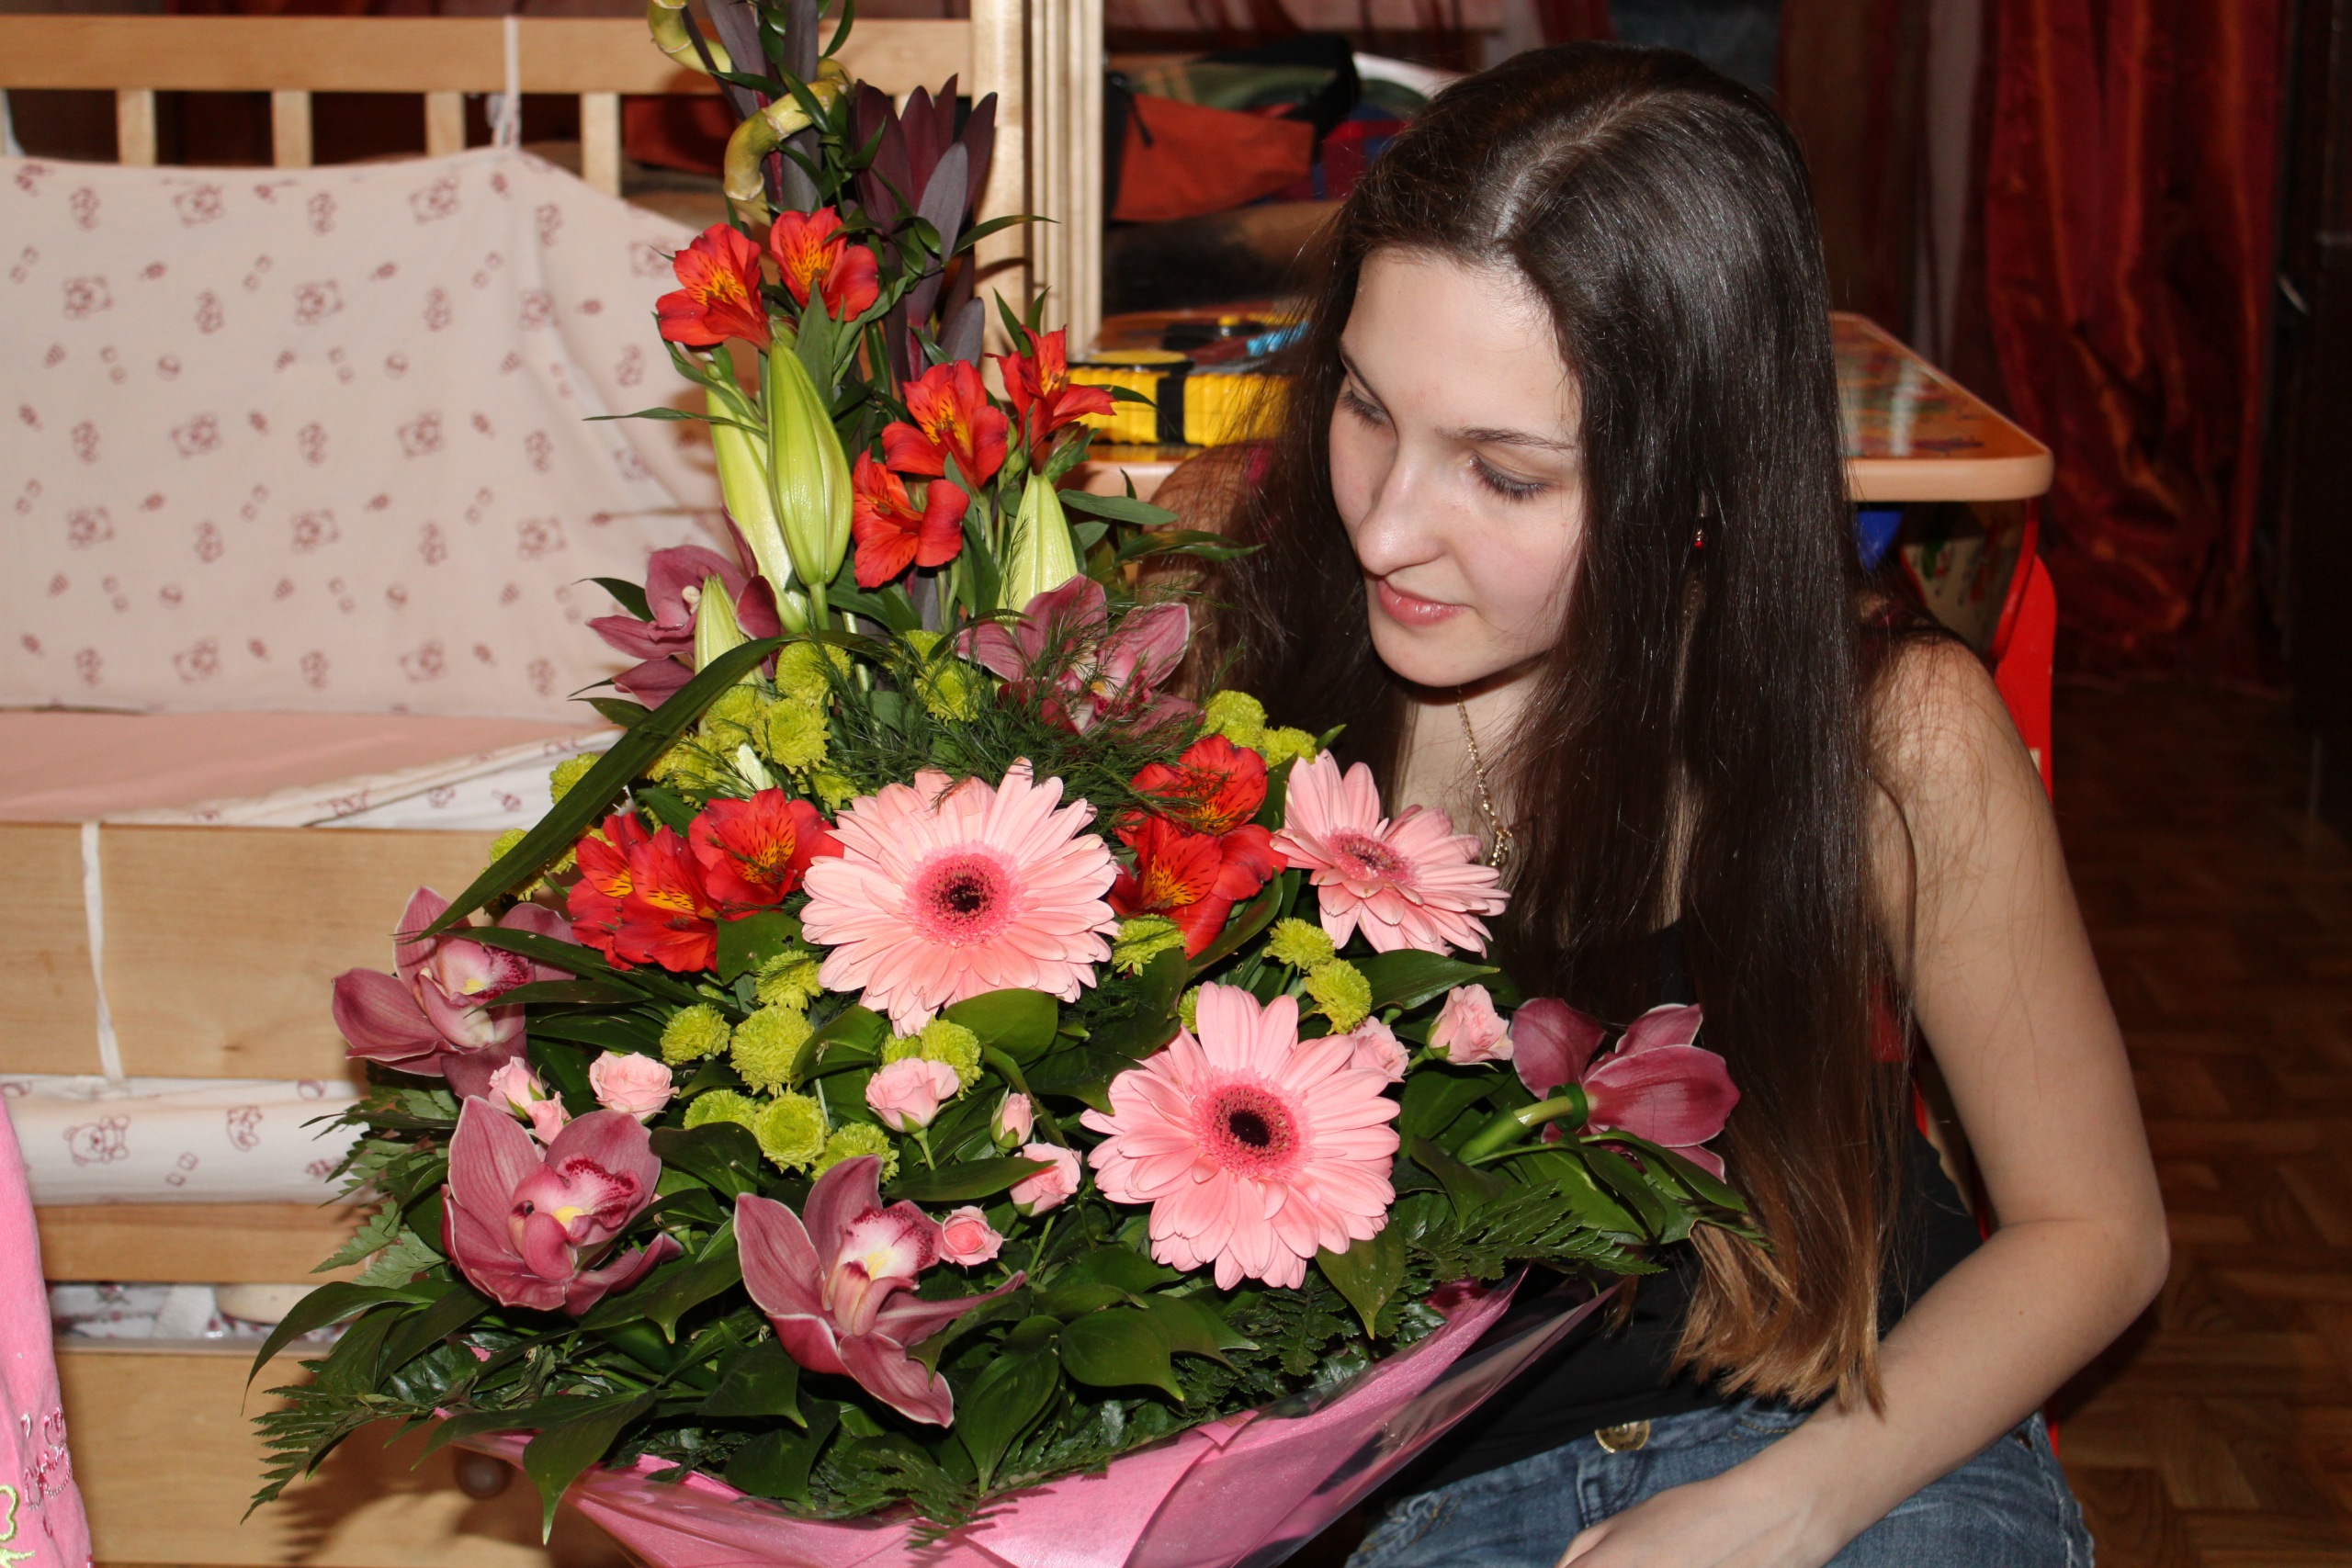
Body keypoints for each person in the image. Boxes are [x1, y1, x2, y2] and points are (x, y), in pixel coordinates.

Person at [1170, 41, 2167, 1568]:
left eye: (1504, 476)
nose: (1383, 528)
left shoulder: (1888, 737)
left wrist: (1782, 1511)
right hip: (1428, 1494)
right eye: (1365, 406)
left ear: (1701, 484)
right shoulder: (1221, 654)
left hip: (1853, 1434)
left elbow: (2097, 1230)